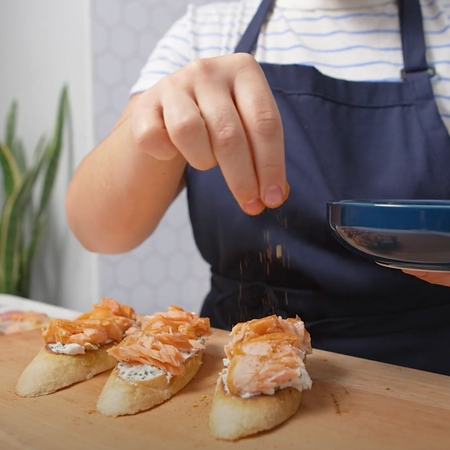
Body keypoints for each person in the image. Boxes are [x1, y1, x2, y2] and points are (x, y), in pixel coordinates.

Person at [66, 0, 450, 375]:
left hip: (424, 371)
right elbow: (100, 231)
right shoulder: (208, 31)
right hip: (233, 358)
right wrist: (159, 116)